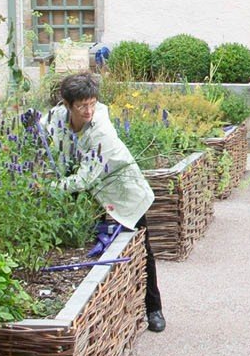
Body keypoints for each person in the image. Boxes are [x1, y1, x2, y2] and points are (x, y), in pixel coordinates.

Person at [46, 73, 163, 331]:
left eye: (92, 103)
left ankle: (154, 309)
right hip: (88, 195)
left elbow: (85, 179)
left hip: (122, 191)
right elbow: (43, 137)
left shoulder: (102, 131)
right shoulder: (56, 117)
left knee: (143, 249)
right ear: (67, 104)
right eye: (81, 106)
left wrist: (46, 187)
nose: (88, 110)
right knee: (86, 247)